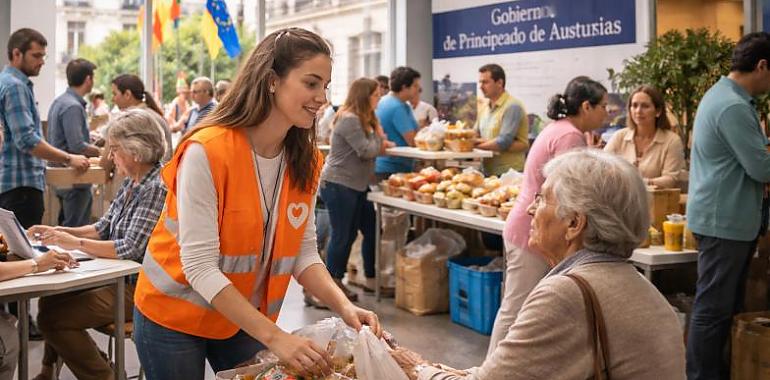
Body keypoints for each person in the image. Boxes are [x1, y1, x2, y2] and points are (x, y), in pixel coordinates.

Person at [132, 27, 381, 379]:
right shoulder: (208, 151)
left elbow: (303, 252)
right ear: (271, 81)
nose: (321, 97)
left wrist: (344, 306)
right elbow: (200, 267)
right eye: (311, 83)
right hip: (173, 315)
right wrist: (277, 338)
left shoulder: (306, 160)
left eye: (325, 85)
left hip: (241, 316)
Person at [392, 149, 686, 380]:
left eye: (542, 199)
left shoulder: (566, 294)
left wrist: (417, 369)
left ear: (574, 223)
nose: (531, 209)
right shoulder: (643, 288)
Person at [29, 109, 168, 380]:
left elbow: (130, 248)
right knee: (50, 298)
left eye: (114, 149)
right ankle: (51, 371)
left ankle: (105, 375)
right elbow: (101, 229)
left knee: (52, 320)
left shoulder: (157, 188)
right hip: (119, 280)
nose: (110, 156)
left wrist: (75, 241)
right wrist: (57, 231)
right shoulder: (133, 182)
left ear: (135, 151)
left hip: (140, 288)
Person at [494, 77, 609, 354]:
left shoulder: (561, 129)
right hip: (532, 229)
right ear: (586, 106)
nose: (607, 112)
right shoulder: (570, 136)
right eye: (603, 106)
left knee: (518, 306)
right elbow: (570, 191)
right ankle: (492, 370)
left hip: (529, 225)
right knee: (515, 309)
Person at [686, 32, 770, 380]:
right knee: (713, 310)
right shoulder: (733, 106)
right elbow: (762, 168)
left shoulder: (723, 97)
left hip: (724, 218)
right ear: (762, 65)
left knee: (720, 307)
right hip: (725, 221)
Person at [0, 28, 90, 229]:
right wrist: (69, 159)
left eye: (43, 56)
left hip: (13, 186)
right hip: (20, 188)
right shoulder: (15, 86)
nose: (41, 61)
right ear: (16, 54)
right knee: (23, 255)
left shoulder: (7, 82)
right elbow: (27, 140)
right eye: (36, 55)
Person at [320, 78, 394, 300]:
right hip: (339, 185)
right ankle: (332, 284)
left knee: (371, 229)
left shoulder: (362, 120)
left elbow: (372, 147)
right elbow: (366, 150)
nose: (379, 100)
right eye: (375, 95)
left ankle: (371, 278)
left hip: (357, 186)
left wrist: (377, 139)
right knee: (343, 235)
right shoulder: (349, 119)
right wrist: (379, 139)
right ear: (364, 96)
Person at [47, 58, 102, 228]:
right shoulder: (73, 106)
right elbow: (77, 145)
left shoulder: (60, 101)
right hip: (73, 179)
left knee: (65, 225)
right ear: (88, 80)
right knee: (75, 228)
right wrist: (103, 152)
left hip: (63, 178)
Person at [604, 85, 686, 188]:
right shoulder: (619, 137)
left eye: (645, 106)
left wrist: (641, 183)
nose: (638, 111)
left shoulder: (671, 141)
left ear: (658, 111)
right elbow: (602, 168)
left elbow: (670, 179)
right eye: (634, 105)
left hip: (656, 201)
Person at [473, 64, 529, 175]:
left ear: (499, 83)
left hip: (509, 174)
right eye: (480, 82)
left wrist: (474, 145)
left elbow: (504, 142)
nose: (481, 86)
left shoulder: (512, 107)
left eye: (485, 82)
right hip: (488, 171)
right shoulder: (484, 107)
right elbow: (475, 133)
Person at [106, 74, 172, 163]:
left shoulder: (138, 120)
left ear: (127, 94)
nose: (113, 99)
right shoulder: (149, 115)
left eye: (115, 94)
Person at [374, 67, 421, 179]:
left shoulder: (388, 101)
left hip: (384, 167)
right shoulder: (397, 107)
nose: (418, 89)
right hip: (392, 170)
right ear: (404, 87)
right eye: (415, 86)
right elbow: (414, 141)